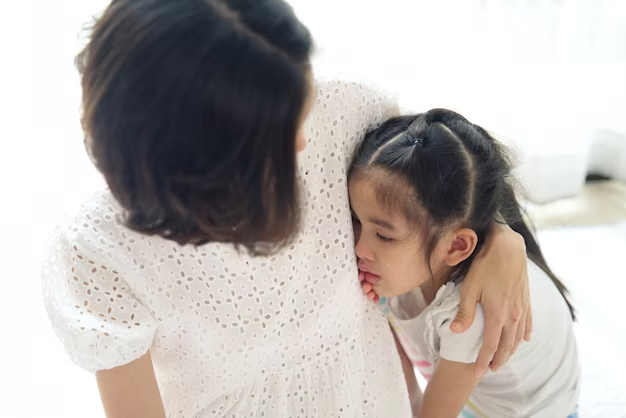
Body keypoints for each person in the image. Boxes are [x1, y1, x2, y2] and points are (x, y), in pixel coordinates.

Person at [41, 1, 531, 416]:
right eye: (275, 136)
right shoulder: (99, 253)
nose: (303, 139)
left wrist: (499, 237)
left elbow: (446, 184)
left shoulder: (347, 112)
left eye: (304, 96)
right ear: (193, 157)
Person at [351, 109, 580, 417]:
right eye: (354, 220)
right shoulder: (402, 268)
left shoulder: (469, 315)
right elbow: (404, 396)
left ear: (457, 246)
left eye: (384, 235)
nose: (359, 248)